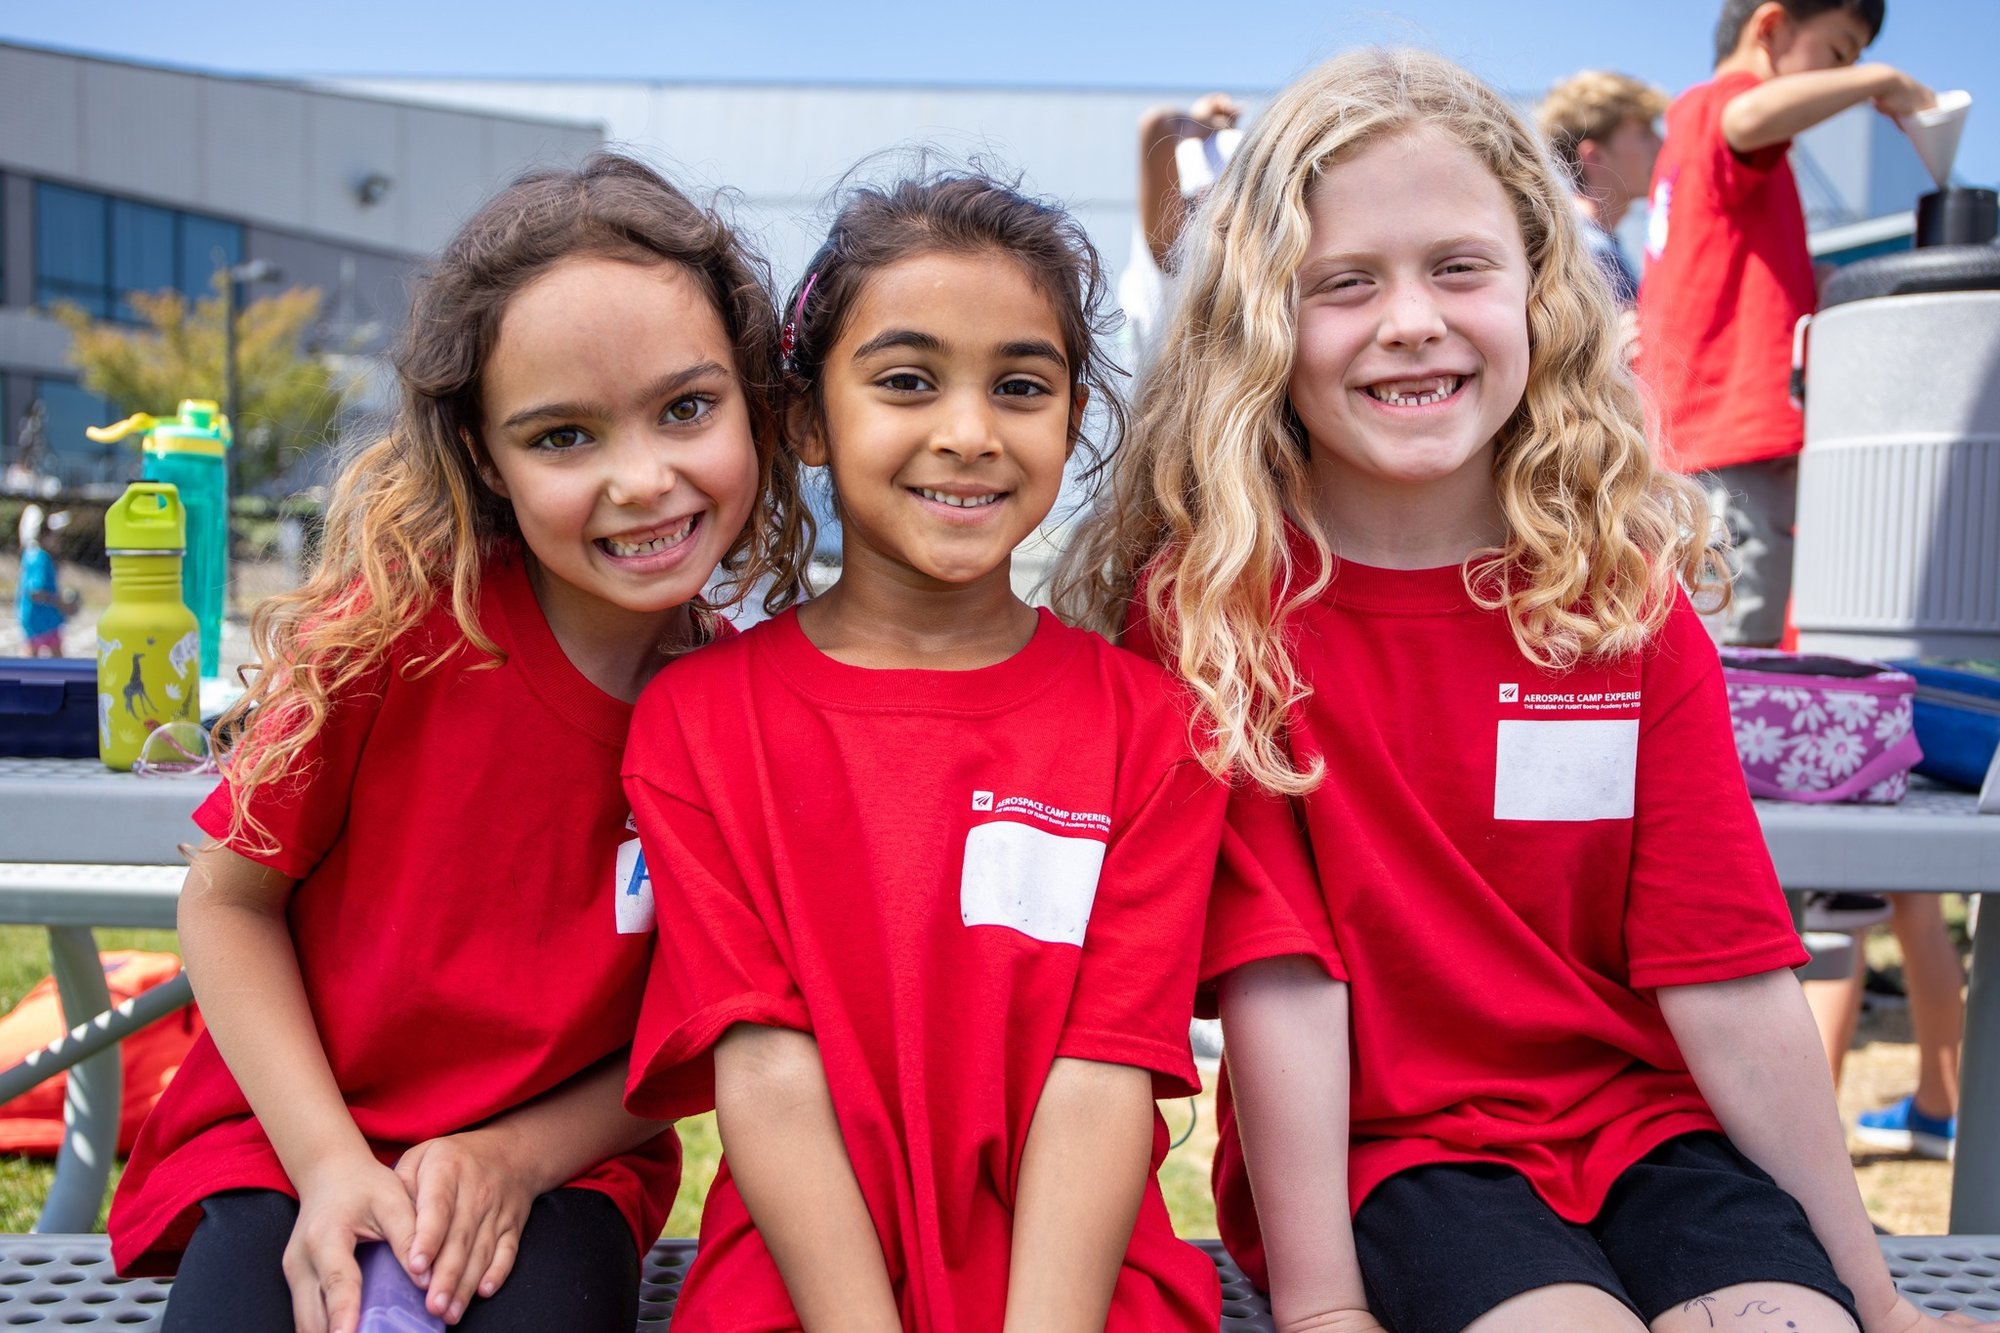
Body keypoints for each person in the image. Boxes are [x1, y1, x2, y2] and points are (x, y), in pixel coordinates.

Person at [1058, 47, 1995, 1333]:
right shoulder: (1213, 610)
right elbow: (1283, 982)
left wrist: (1879, 1303)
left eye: (1457, 267)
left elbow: (1720, 970)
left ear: (1541, 293)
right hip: (1395, 1155)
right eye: (1344, 284)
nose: (1409, 320)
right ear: (1262, 322)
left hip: (1649, 1128)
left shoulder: (1616, 594)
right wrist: (1326, 1307)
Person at [107, 153, 811, 1333]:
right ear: (485, 456)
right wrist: (331, 1165)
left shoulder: (753, 712)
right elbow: (227, 905)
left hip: (556, 1173)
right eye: (563, 437)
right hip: (290, 1140)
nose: (641, 480)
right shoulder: (387, 638)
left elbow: (710, 1029)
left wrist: (518, 1157)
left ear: (755, 402)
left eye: (686, 409)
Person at [620, 169, 1327, 1332]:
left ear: (1069, 417)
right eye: (905, 382)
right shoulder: (700, 722)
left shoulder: (1148, 727)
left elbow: (1101, 1071)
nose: (967, 433)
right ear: (804, 416)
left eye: (1018, 387)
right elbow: (764, 1068)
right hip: (804, 1281)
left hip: (1081, 1281)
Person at [1637, 0, 1932, 647]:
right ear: (1770, 28)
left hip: (1703, 438)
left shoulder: (1701, 135)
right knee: (1735, 652)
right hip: (1729, 441)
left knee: (1716, 641)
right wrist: (1881, 81)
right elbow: (1750, 114)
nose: (1844, 74)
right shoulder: (1724, 105)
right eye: (1837, 53)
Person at [1119, 93, 1243, 368]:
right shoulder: (1179, 253)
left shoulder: (1226, 268)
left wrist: (1201, 122)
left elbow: (1160, 125)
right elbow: (1157, 124)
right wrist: (1206, 121)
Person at [1536, 71, 1667, 307]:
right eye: (1645, 134)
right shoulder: (1586, 254)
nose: (1662, 144)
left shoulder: (1587, 242)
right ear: (1594, 156)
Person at [15, 504, 78, 656]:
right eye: (55, 536)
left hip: (36, 617)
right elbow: (36, 591)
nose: (59, 540)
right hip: (41, 619)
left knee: (39, 652)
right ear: (44, 536)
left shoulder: (33, 555)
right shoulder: (40, 558)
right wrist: (61, 603)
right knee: (42, 654)